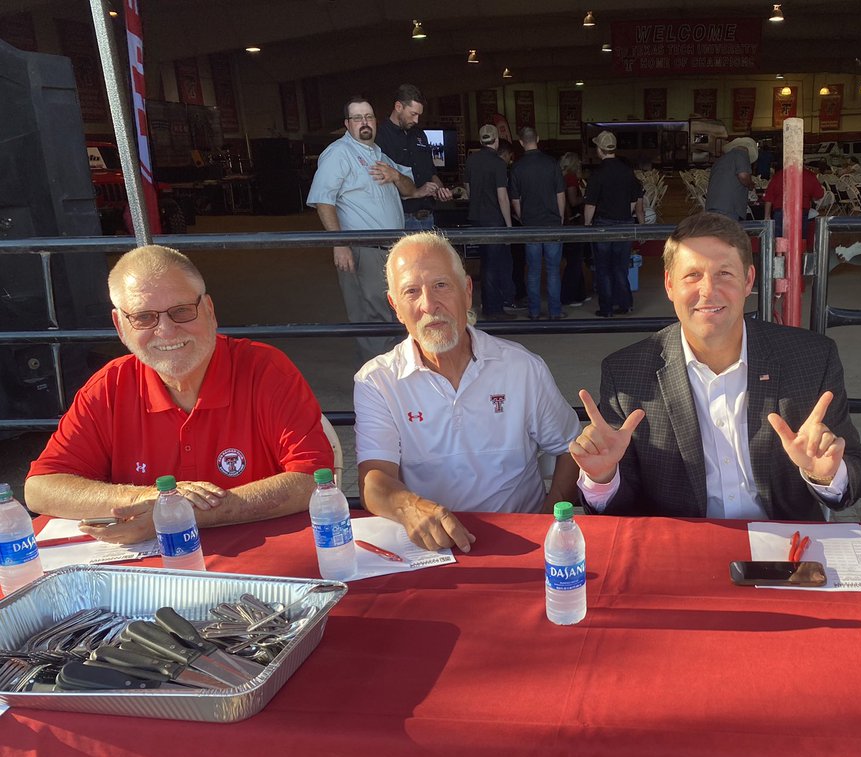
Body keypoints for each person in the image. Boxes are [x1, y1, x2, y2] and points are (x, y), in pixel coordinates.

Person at [24, 246, 333, 544]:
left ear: (209, 310)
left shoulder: (266, 370)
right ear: (120, 325)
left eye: (182, 311)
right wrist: (141, 496)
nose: (166, 330)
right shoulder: (109, 387)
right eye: (144, 317)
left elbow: (313, 480)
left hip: (264, 569)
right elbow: (40, 488)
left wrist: (178, 513)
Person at [571, 212, 861, 520]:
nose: (708, 290)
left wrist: (825, 474)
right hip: (682, 544)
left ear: (748, 280)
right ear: (670, 285)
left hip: (785, 545)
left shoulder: (811, 358)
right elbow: (622, 509)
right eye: (692, 275)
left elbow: (853, 471)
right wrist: (603, 478)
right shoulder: (626, 373)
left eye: (724, 273)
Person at [353, 232, 580, 551]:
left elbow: (571, 448)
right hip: (432, 548)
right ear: (396, 307)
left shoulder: (521, 367)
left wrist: (547, 521)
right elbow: (373, 480)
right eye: (411, 292)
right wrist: (412, 508)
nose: (428, 304)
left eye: (441, 285)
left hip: (523, 540)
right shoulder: (376, 381)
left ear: (467, 291)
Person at [308, 97, 425, 362]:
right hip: (364, 250)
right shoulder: (339, 154)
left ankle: (396, 373)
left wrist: (395, 176)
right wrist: (340, 243)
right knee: (371, 317)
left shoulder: (379, 154)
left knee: (394, 312)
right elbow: (323, 201)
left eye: (369, 117)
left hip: (393, 250)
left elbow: (411, 191)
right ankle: (379, 383)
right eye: (358, 118)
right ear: (347, 124)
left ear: (376, 121)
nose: (364, 122)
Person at [375, 83, 453, 232]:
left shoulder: (419, 134)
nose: (416, 120)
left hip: (428, 217)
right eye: (413, 114)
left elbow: (431, 172)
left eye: (419, 115)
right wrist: (416, 190)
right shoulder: (380, 136)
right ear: (398, 107)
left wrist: (440, 189)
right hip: (400, 218)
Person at [584, 130, 644, 318]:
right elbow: (635, 200)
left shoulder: (598, 174)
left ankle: (607, 308)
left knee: (603, 268)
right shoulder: (627, 171)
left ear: (599, 149)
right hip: (625, 222)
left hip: (603, 224)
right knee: (620, 266)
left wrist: (587, 225)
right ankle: (626, 304)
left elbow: (590, 204)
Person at [509, 127, 566, 320]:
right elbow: (560, 194)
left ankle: (533, 312)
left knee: (533, 271)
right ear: (538, 138)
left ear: (520, 142)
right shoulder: (551, 164)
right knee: (553, 271)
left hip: (530, 224)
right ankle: (555, 312)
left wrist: (523, 217)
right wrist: (560, 217)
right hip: (552, 223)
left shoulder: (517, 167)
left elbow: (515, 200)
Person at [464, 124, 517, 320]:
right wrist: (509, 225)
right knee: (494, 264)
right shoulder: (498, 163)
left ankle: (488, 303)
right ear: (495, 141)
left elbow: (468, 189)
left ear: (480, 140)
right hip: (494, 219)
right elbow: (502, 196)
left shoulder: (471, 161)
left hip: (476, 218)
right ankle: (494, 309)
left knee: (485, 262)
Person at [761, 164, 825, 242]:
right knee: (799, 240)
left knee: (780, 240)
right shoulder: (809, 175)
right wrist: (811, 198)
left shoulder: (779, 175)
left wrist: (766, 216)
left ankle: (780, 254)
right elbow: (819, 194)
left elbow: (769, 196)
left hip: (781, 211)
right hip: (800, 210)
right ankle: (799, 253)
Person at [559, 152, 588, 307]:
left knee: (576, 259)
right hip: (573, 223)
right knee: (574, 261)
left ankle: (580, 294)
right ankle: (567, 297)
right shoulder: (570, 178)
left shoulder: (561, 176)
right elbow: (572, 200)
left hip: (567, 223)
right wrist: (586, 197)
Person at [705, 137, 757, 221]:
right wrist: (750, 185)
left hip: (713, 204)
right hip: (729, 206)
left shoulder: (720, 160)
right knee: (729, 232)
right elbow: (743, 176)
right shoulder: (742, 153)